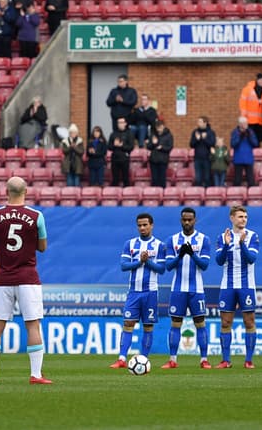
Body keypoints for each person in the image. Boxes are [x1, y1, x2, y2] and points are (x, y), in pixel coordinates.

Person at [0, 177, 51, 384]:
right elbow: (42, 247)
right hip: (28, 278)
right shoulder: (36, 216)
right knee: (33, 325)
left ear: (6, 192)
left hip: (3, 277)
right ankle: (35, 374)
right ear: (26, 192)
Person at [110, 213, 167, 369]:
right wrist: (139, 262)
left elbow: (162, 269)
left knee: (148, 326)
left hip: (150, 292)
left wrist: (147, 262)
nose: (142, 228)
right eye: (139, 225)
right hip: (134, 292)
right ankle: (122, 359)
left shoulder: (159, 245)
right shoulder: (130, 244)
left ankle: (143, 359)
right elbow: (124, 266)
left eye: (145, 225)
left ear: (151, 225)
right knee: (128, 323)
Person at [159, 208, 212, 369]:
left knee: (200, 323)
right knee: (176, 323)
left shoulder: (204, 240)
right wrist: (180, 255)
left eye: (190, 219)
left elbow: (204, 265)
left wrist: (192, 254)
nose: (187, 222)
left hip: (197, 290)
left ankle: (204, 360)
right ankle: (173, 360)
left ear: (195, 220)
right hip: (178, 289)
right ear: (181, 220)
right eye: (184, 219)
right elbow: (168, 266)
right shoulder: (172, 240)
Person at [214, 205, 260, 369]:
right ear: (232, 218)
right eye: (240, 216)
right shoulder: (223, 237)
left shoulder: (252, 236)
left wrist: (242, 244)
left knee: (249, 322)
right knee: (225, 322)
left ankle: (248, 360)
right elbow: (219, 261)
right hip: (227, 286)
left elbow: (251, 258)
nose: (243, 220)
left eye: (245, 217)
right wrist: (227, 245)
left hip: (247, 286)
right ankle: (226, 360)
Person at [145, 118, 173, 188]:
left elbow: (170, 147)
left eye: (160, 127)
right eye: (157, 128)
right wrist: (153, 143)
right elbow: (148, 147)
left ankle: (162, 192)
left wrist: (162, 147)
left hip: (163, 160)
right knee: (154, 179)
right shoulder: (153, 135)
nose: (158, 129)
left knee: (162, 178)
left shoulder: (168, 135)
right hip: (153, 160)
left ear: (163, 126)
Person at [229, 117, 256, 187]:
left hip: (248, 158)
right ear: (239, 124)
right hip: (238, 158)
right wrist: (239, 137)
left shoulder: (250, 132)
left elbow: (255, 143)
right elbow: (232, 144)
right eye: (243, 123)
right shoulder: (235, 132)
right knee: (237, 180)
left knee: (251, 180)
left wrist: (250, 137)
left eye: (246, 123)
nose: (245, 125)